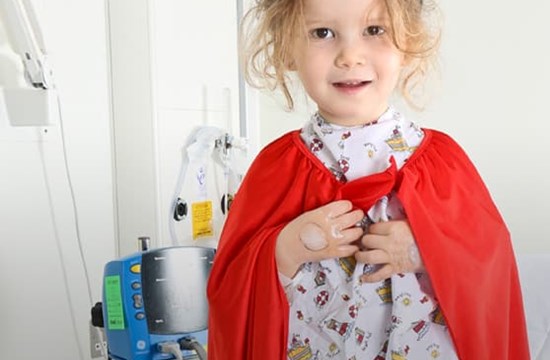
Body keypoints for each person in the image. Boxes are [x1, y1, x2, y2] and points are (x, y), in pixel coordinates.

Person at [206, 0, 530, 358]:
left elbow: (491, 262)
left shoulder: (442, 160)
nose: (350, 56)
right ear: (287, 51)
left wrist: (422, 248)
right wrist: (286, 247)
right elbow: (232, 287)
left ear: (408, 45)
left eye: (374, 30)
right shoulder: (274, 167)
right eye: (322, 33)